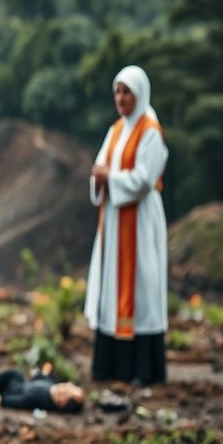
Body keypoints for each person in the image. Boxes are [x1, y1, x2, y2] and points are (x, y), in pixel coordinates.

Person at [83, 65, 168, 386]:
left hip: (140, 221)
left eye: (126, 92)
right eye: (117, 91)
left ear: (140, 94)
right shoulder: (116, 129)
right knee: (112, 290)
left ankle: (142, 369)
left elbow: (145, 180)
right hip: (115, 220)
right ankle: (111, 366)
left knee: (141, 289)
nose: (120, 98)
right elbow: (101, 167)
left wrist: (110, 178)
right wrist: (99, 178)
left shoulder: (150, 131)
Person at [0, 363, 85, 413]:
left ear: (62, 401)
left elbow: (22, 401)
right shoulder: (53, 387)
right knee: (17, 372)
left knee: (11, 374)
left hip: (12, 389)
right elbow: (43, 380)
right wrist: (44, 372)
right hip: (23, 383)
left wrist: (2, 401)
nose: (69, 385)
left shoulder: (41, 397)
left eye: (71, 390)